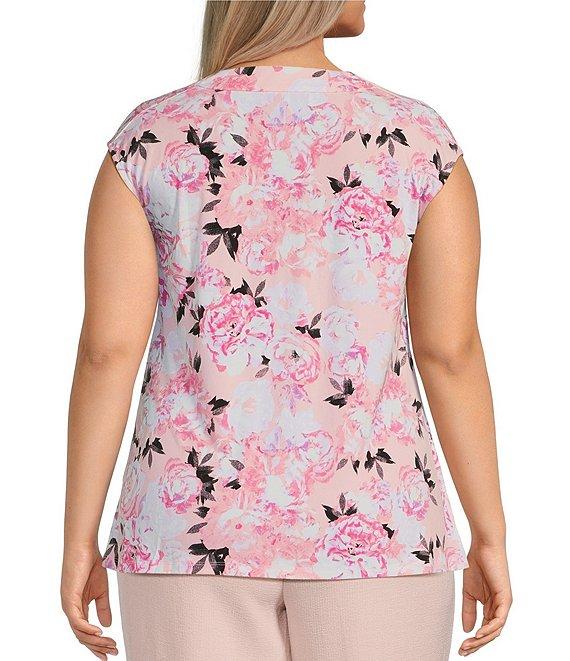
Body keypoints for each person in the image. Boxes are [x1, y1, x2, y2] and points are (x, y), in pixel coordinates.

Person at [61, 1, 512, 659]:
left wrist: (78, 538)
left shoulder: (151, 138)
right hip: (380, 532)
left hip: (188, 534)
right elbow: (451, 352)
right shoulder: (416, 139)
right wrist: (490, 532)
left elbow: (107, 351)